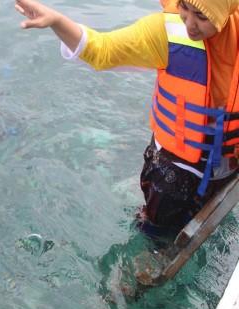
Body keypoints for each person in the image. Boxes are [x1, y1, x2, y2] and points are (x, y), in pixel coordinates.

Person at [15, 0, 239, 239]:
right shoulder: (164, 32)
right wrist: (57, 21)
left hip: (226, 165)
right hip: (174, 169)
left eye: (202, 17)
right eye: (184, 7)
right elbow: (102, 50)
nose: (189, 24)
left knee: (208, 227)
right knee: (157, 233)